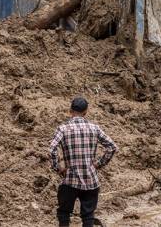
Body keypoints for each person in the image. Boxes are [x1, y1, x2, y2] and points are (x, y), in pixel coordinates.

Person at [49, 97, 117, 227]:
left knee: (63, 214)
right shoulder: (94, 128)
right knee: (88, 215)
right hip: (90, 180)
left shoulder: (63, 129)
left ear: (70, 110)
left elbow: (51, 150)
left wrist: (58, 168)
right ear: (86, 111)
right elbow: (112, 147)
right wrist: (99, 164)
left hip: (70, 180)